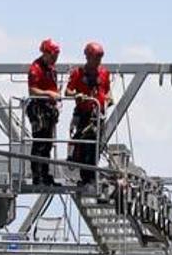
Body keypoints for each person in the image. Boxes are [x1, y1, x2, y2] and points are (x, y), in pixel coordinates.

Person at [65, 42, 112, 188]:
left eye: (100, 57)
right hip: (83, 115)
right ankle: (86, 178)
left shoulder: (104, 73)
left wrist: (108, 100)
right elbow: (68, 91)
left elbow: (107, 91)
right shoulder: (77, 73)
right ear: (88, 57)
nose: (98, 61)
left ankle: (90, 178)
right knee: (84, 146)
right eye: (95, 57)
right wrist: (77, 95)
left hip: (98, 116)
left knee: (95, 147)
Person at [27, 38, 62, 187]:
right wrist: (48, 93)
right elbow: (32, 90)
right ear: (46, 53)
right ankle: (38, 176)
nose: (55, 58)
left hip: (49, 109)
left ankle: (45, 174)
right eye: (53, 55)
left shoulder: (52, 69)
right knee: (40, 143)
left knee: (47, 144)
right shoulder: (36, 68)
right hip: (38, 108)